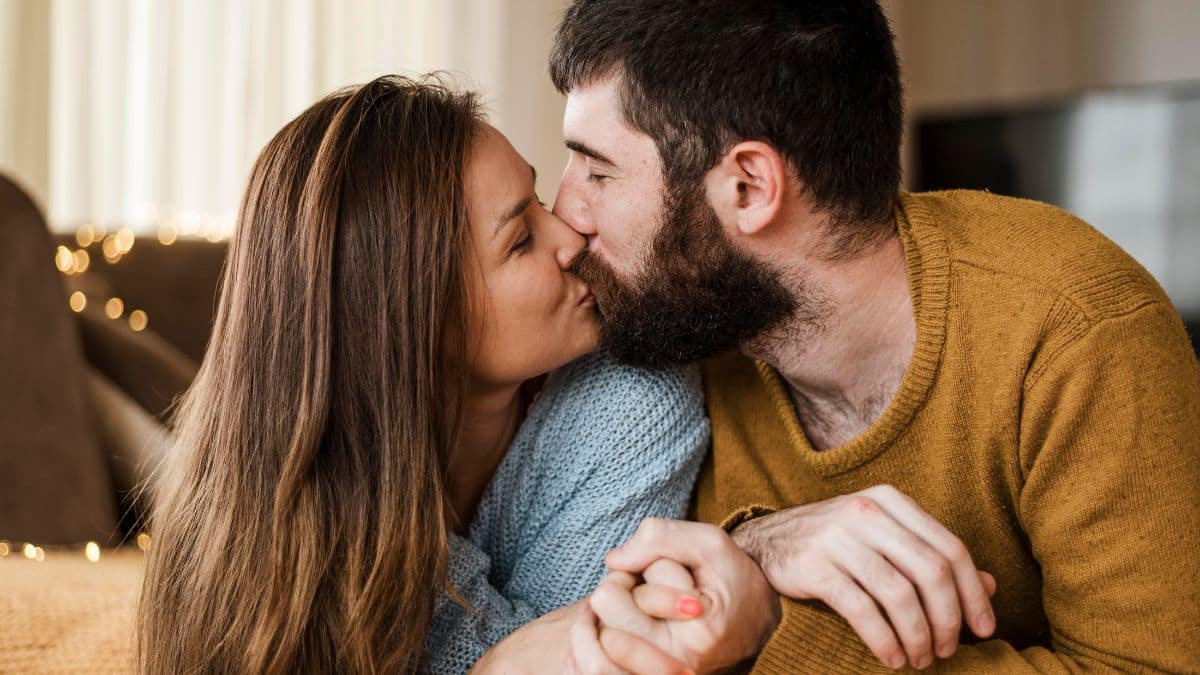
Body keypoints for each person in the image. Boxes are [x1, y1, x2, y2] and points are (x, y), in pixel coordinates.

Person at [482, 1, 1200, 672]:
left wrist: (774, 627)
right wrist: (756, 547)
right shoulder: (678, 332)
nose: (567, 215)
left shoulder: (1076, 329)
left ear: (749, 188)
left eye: (598, 170)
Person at [135, 75, 712, 674]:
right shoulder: (251, 517)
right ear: (412, 324)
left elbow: (586, 657)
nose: (571, 237)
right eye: (520, 241)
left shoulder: (637, 399)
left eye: (538, 203)